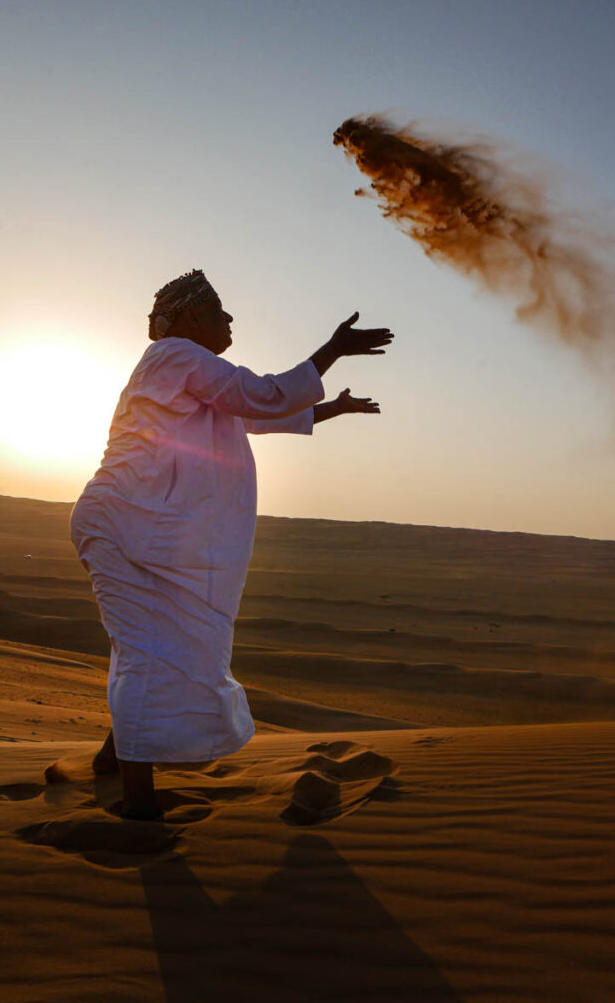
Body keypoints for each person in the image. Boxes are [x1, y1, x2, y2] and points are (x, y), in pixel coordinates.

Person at [69, 269, 393, 820]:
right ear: (191, 318)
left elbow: (254, 414)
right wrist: (332, 349)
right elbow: (260, 395)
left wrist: (332, 408)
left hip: (147, 531)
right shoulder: (177, 355)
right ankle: (139, 804)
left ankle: (112, 758)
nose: (229, 320)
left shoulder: (187, 378)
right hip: (125, 527)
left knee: (158, 648)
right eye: (220, 311)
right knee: (146, 654)